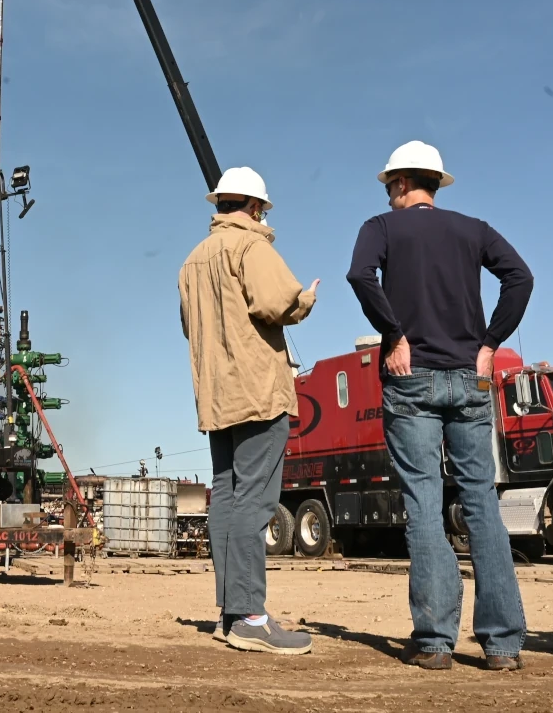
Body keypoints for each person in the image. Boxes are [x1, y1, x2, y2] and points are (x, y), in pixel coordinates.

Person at [345, 141, 534, 671]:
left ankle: (433, 643)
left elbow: (360, 275)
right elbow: (521, 278)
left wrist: (394, 333)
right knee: (481, 504)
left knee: (424, 506)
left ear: (403, 183)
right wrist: (490, 344)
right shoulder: (473, 228)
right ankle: (501, 646)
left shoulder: (379, 229)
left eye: (389, 186)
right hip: (469, 379)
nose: (387, 195)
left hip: (411, 378)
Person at [180, 166, 318, 655]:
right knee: (256, 502)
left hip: (217, 397)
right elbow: (277, 303)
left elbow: (188, 327)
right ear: (257, 207)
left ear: (219, 204)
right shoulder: (253, 248)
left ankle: (230, 611)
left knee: (228, 496)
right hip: (258, 390)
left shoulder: (192, 260)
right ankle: (251, 618)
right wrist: (306, 299)